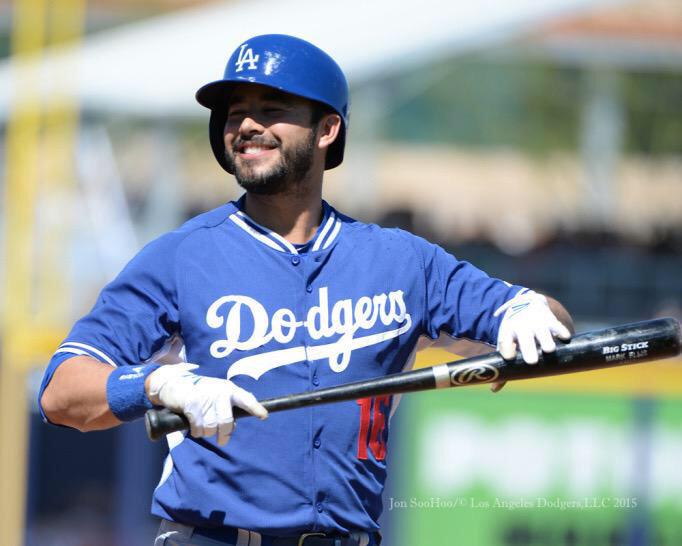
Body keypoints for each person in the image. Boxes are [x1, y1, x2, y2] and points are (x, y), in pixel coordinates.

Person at [39, 34, 574, 546]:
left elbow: (544, 318)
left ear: (327, 130)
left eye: (272, 108)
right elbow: (62, 392)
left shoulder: (400, 261)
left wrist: (528, 313)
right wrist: (158, 385)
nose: (247, 124)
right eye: (234, 112)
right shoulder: (182, 257)